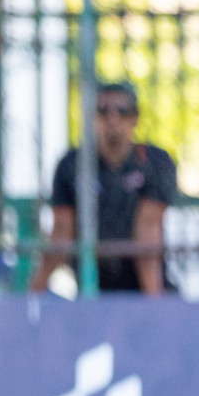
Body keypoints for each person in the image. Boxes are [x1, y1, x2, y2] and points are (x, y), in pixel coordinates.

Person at [31, 81, 176, 295]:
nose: (112, 118)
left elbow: (148, 233)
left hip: (142, 286)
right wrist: (32, 294)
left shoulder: (154, 162)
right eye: (103, 110)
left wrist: (153, 307)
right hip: (92, 285)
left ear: (135, 118)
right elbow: (61, 232)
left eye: (122, 111)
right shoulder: (71, 165)